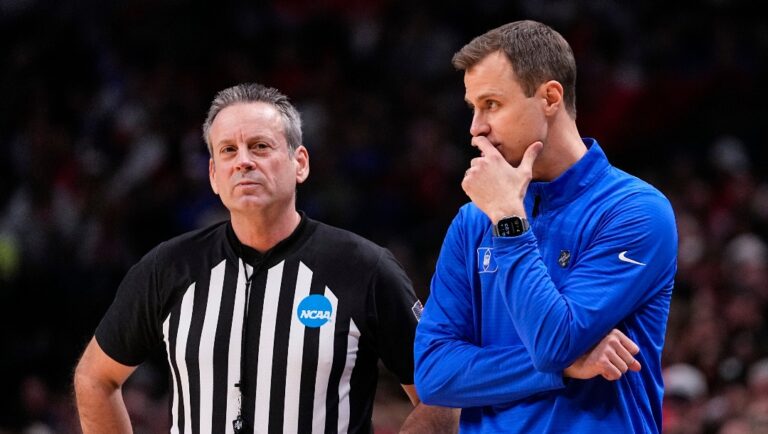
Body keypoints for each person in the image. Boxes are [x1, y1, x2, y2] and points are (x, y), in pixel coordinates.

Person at [74, 83, 458, 433]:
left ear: (300, 163)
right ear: (214, 175)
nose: (243, 161)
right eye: (228, 150)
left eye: (260, 146)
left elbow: (443, 396)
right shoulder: (168, 268)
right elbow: (95, 378)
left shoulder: (365, 269)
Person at [413, 20, 677, 433]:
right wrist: (568, 366)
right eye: (473, 107)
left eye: (492, 104)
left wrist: (508, 219)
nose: (476, 127)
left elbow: (554, 343)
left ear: (550, 97)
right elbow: (433, 374)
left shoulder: (636, 211)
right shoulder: (472, 221)